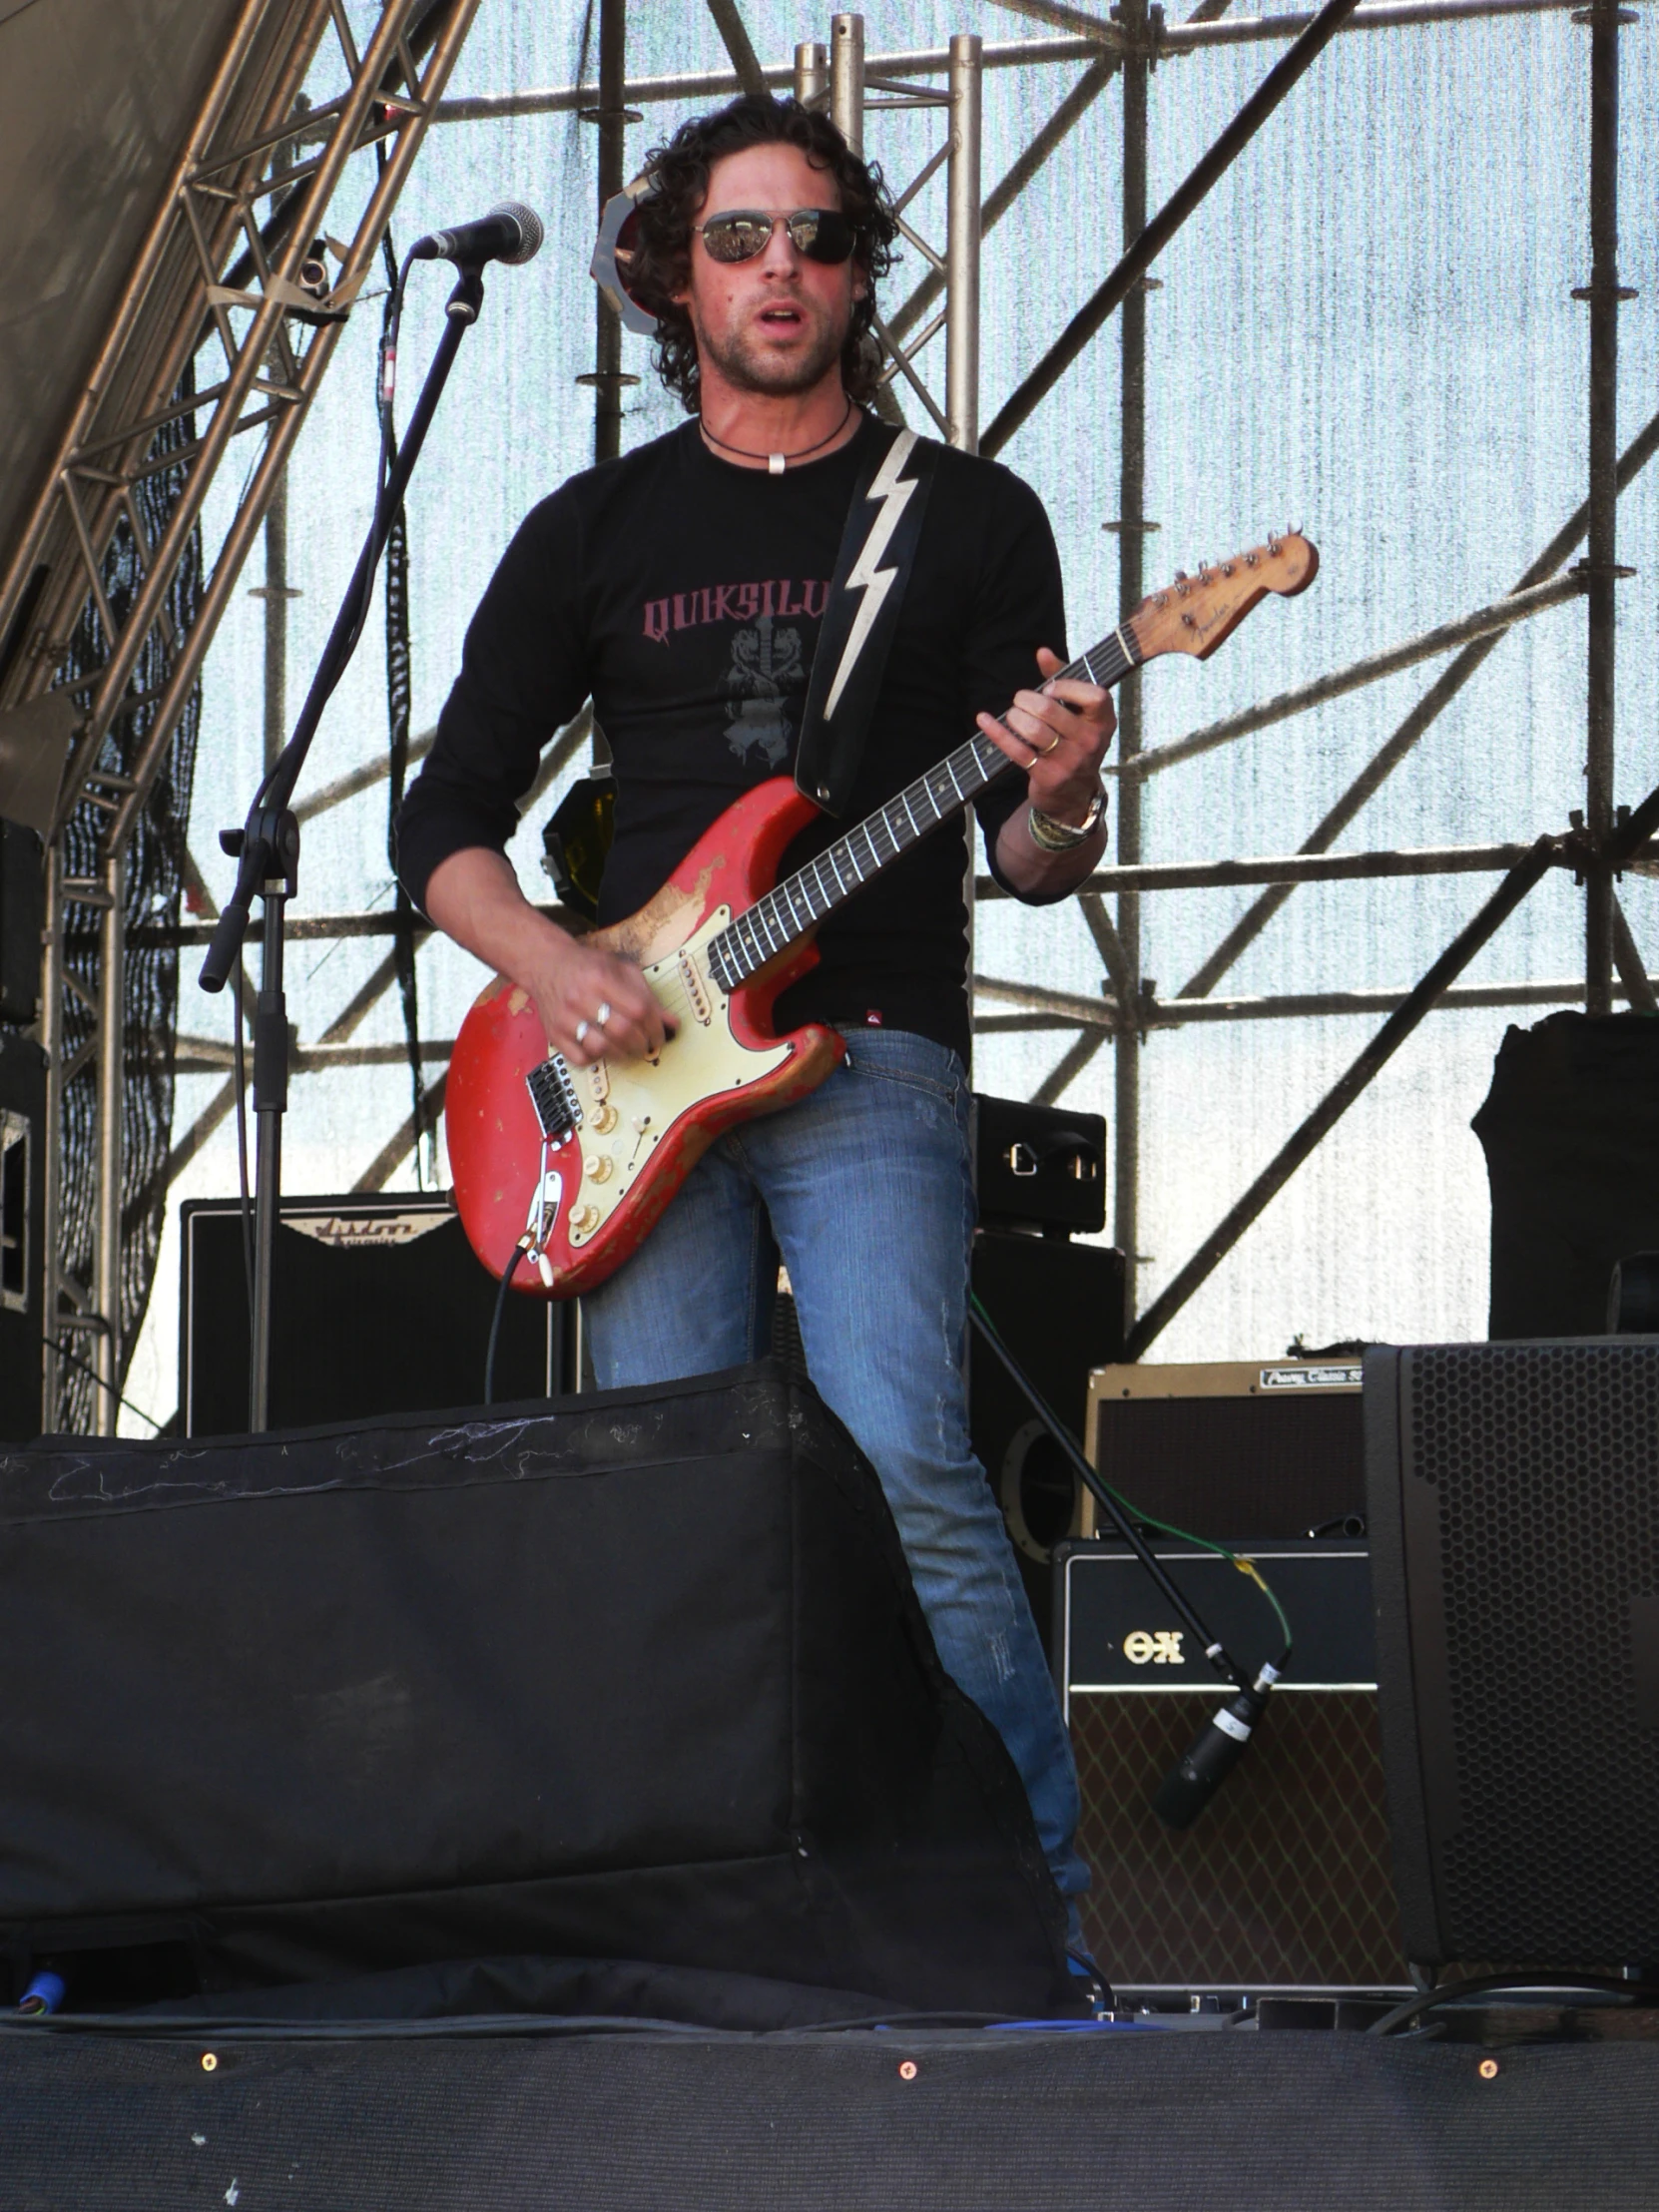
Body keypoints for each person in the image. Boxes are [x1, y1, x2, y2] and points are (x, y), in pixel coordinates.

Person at [396, 95, 1114, 1941]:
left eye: (815, 237)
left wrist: (1067, 787)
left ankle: (1042, 1910)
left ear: (860, 269)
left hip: (862, 1044)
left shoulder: (964, 516)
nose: (779, 270)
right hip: (622, 1070)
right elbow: (442, 828)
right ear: (669, 271)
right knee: (675, 1505)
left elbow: (1029, 866)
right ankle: (703, 1918)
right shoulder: (596, 528)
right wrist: (559, 973)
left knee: (905, 1468)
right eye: (739, 238)